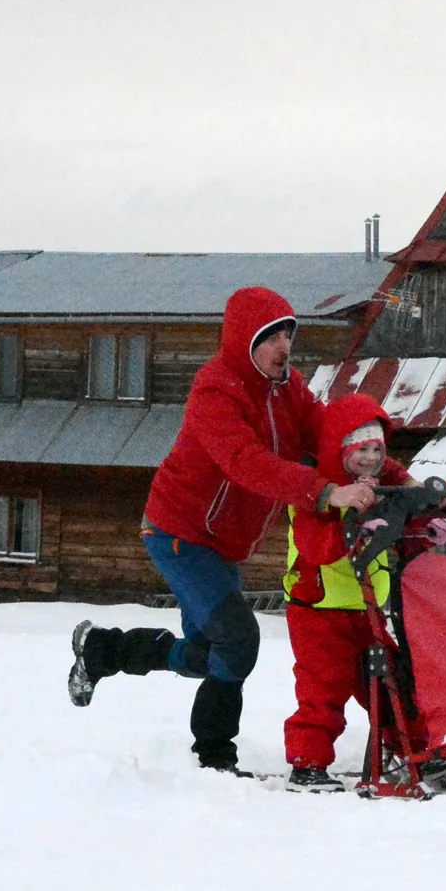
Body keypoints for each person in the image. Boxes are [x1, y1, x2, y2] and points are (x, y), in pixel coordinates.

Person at [68, 286, 378, 773]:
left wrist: (390, 474)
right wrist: (325, 492)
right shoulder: (216, 389)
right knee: (237, 640)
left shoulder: (288, 389)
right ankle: (214, 758)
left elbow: (329, 439)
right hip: (179, 534)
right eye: (269, 337)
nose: (282, 348)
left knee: (205, 654)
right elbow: (245, 462)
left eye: (287, 335)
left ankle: (102, 650)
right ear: (242, 340)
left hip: (222, 546)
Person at [278, 394, 415, 790]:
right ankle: (308, 763)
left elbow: (400, 500)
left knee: (391, 677)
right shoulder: (316, 491)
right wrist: (353, 525)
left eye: (377, 449)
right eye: (360, 450)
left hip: (364, 606)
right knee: (325, 683)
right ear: (340, 449)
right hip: (318, 607)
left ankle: (410, 748)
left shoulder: (376, 484)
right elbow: (317, 548)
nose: (371, 458)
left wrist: (421, 522)